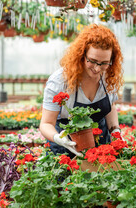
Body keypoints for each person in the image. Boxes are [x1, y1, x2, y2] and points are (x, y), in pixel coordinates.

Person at [40, 24, 124, 158]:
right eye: (92, 61)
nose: (97, 68)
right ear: (82, 54)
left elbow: (110, 106)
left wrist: (115, 130)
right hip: (66, 148)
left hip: (101, 148)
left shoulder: (109, 76)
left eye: (104, 63)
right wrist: (59, 139)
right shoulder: (60, 81)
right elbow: (46, 123)